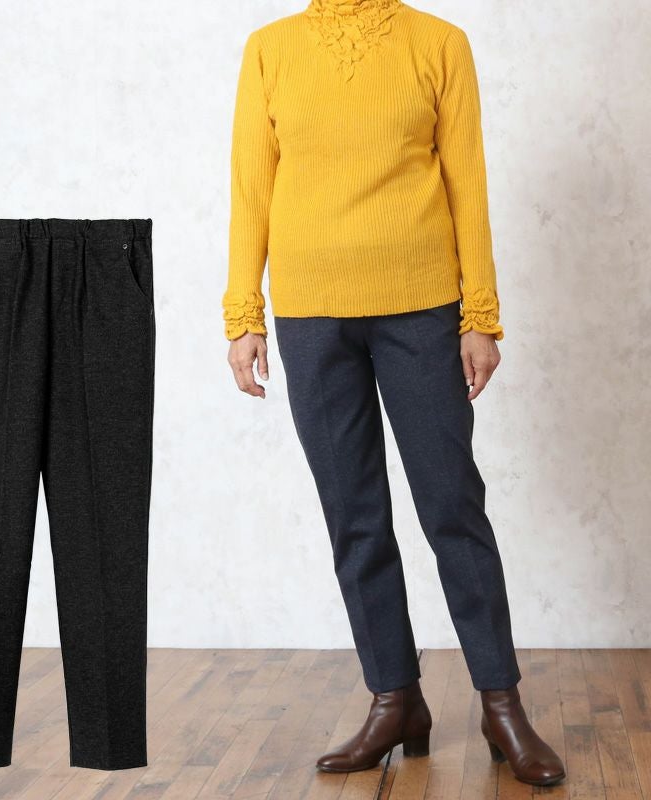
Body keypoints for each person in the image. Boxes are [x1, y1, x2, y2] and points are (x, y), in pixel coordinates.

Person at [222, 0, 565, 787]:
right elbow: (250, 187)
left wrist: (480, 314)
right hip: (311, 318)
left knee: (452, 507)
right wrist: (244, 314)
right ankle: (395, 697)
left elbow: (467, 181)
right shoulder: (269, 50)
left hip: (421, 308)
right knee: (355, 516)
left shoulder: (439, 44)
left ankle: (501, 703)